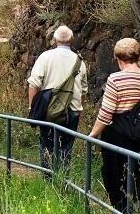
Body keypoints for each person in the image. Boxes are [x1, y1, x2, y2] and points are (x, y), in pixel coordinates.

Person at [88, 38, 140, 214]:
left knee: (117, 174)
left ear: (118, 58)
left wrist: (92, 135)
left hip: (119, 136)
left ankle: (121, 208)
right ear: (139, 57)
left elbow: (106, 113)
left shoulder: (115, 79)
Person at [27, 25, 88, 178]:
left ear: (54, 40)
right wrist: (78, 110)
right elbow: (83, 91)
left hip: (49, 111)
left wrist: (32, 107)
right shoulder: (79, 62)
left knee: (46, 145)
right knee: (66, 148)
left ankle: (48, 182)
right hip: (72, 112)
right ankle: (63, 182)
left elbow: (34, 84)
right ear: (72, 40)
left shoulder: (45, 57)